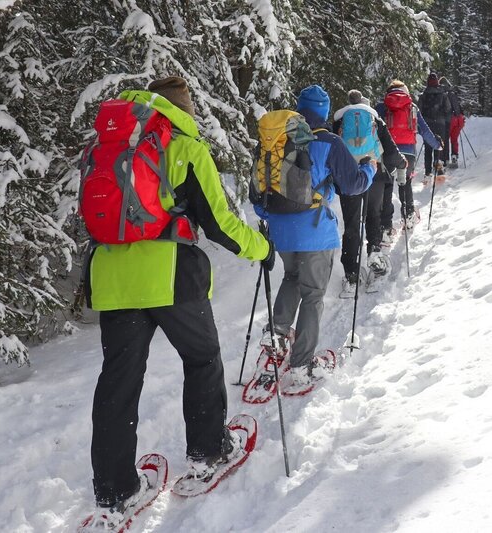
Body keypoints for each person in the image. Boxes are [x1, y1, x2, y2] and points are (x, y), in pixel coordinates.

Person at [85, 77, 272, 514]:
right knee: (202, 359)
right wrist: (262, 248)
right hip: (172, 278)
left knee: (118, 383)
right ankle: (209, 453)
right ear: (182, 110)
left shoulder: (107, 144)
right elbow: (221, 225)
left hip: (113, 281)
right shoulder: (185, 147)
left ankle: (115, 492)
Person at [254, 84, 375, 393]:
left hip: (280, 229)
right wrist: (368, 169)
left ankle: (276, 336)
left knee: (292, 277)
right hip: (314, 229)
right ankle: (301, 366)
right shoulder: (329, 141)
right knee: (312, 295)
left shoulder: (277, 138)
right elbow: (354, 185)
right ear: (325, 111)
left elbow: (260, 188)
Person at [333, 89, 406, 296]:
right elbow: (390, 149)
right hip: (374, 174)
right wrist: (401, 163)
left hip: (349, 178)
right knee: (374, 216)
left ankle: (351, 276)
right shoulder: (375, 120)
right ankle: (375, 258)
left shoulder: (339, 121)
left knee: (352, 223)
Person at [375, 80, 441, 232]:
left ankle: (386, 227)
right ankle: (409, 217)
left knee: (387, 186)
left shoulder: (382, 107)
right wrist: (437, 145)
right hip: (408, 153)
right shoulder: (412, 107)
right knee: (405, 183)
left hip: (388, 152)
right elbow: (424, 130)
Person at [417, 72, 452, 178]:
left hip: (427, 124)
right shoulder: (443, 95)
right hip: (440, 124)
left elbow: (419, 111)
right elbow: (448, 109)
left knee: (428, 148)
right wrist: (446, 121)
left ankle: (428, 171)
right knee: (439, 145)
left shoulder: (423, 96)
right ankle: (438, 166)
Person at [440, 76, 465, 168]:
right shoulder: (452, 93)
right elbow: (459, 107)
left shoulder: (442, 94)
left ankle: (445, 159)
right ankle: (454, 156)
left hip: (449, 119)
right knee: (454, 139)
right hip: (459, 119)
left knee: (445, 140)